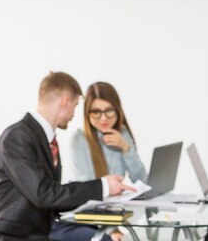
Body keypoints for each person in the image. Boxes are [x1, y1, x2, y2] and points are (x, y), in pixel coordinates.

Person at [0, 72, 134, 241]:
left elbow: (52, 196)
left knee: (100, 238)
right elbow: (43, 193)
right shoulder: (17, 137)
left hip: (39, 229)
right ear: (65, 102)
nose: (74, 114)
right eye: (74, 106)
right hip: (8, 236)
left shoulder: (47, 140)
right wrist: (103, 186)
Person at [49, 81, 147, 241]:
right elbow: (87, 194)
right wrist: (111, 229)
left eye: (109, 111)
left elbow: (142, 181)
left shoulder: (122, 134)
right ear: (87, 113)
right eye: (96, 112)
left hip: (113, 216)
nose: (103, 118)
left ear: (117, 110)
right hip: (85, 218)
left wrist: (127, 149)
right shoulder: (79, 140)